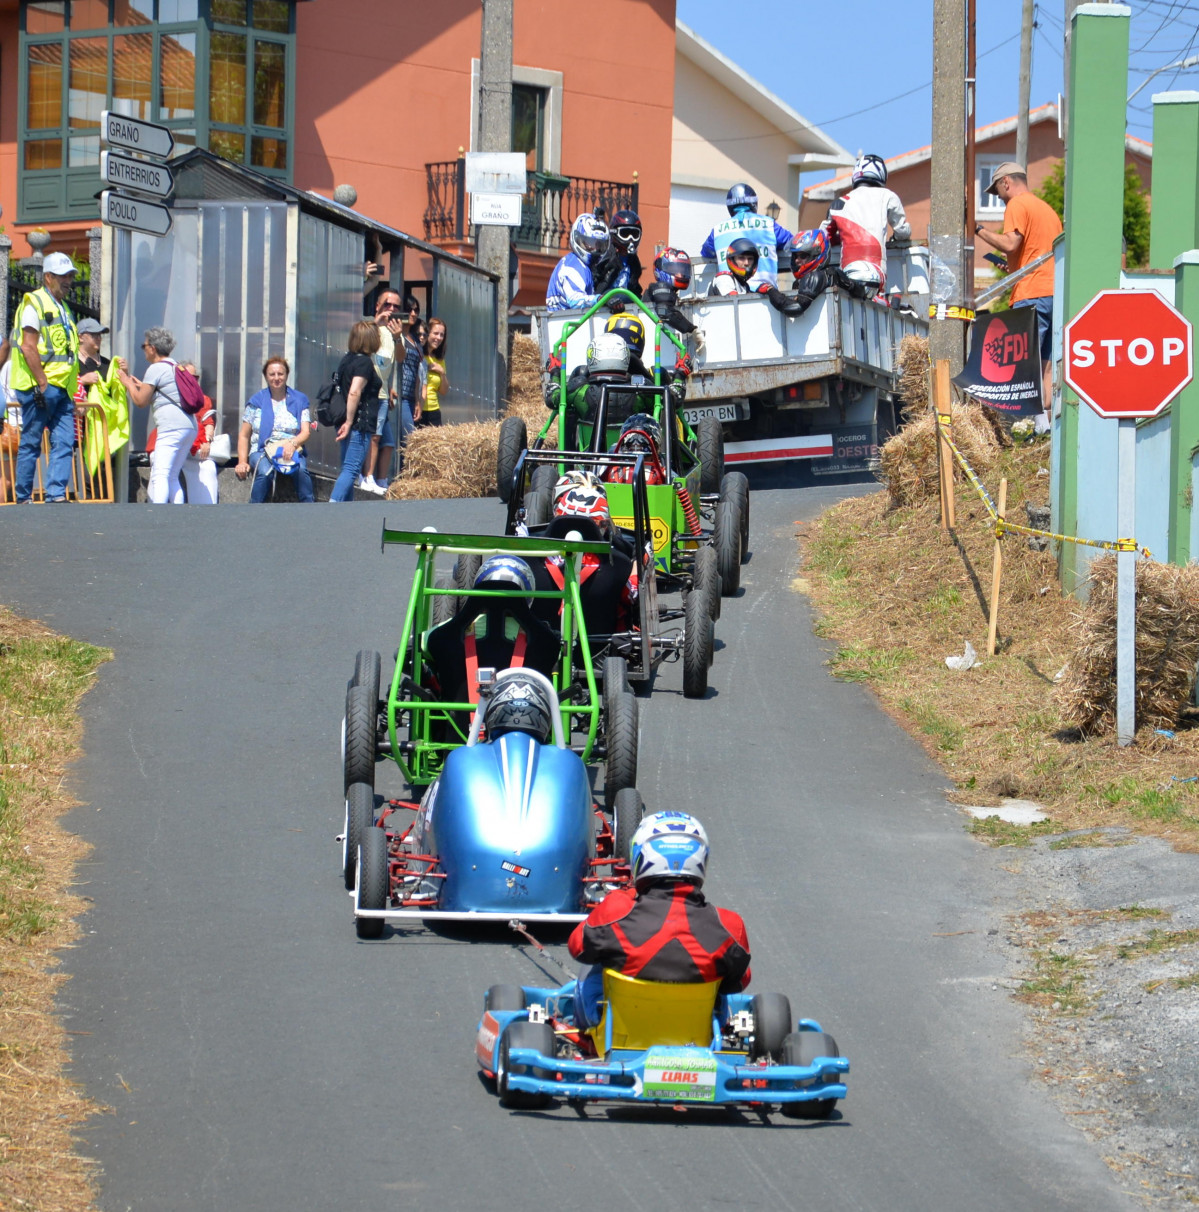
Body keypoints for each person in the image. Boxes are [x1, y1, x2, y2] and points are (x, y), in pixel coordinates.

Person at [568, 811, 751, 1030]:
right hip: (694, 1031)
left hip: (620, 1030)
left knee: (593, 964)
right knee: (720, 984)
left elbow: (577, 948)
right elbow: (738, 982)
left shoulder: (616, 910)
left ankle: (592, 1034)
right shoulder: (729, 925)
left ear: (641, 857)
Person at [974, 161, 1062, 412]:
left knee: (1023, 366)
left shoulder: (1017, 204)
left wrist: (978, 229)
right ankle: (1044, 427)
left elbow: (1011, 243)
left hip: (1031, 295)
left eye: (999, 194)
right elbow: (1036, 253)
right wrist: (1013, 268)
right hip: (1053, 293)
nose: (1001, 200)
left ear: (1006, 182)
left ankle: (1025, 426)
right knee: (1045, 366)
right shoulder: (1046, 210)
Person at [8, 251, 81, 503]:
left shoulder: (63, 308)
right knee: (31, 442)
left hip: (61, 388)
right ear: (48, 277)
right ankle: (23, 497)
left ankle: (56, 494)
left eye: (70, 276)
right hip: (39, 387)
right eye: (63, 276)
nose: (68, 281)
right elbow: (28, 346)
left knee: (64, 441)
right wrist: (41, 381)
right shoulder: (34, 303)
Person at [116, 327, 196, 505]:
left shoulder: (156, 368)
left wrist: (127, 383)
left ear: (152, 347)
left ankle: (156, 517)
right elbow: (157, 394)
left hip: (171, 428)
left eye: (143, 346)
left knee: (160, 473)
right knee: (172, 475)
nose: (143, 349)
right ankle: (177, 515)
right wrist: (136, 383)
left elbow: (140, 401)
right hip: (189, 426)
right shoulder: (176, 366)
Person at [823, 154, 910, 297]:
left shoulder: (839, 203)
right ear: (882, 175)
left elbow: (824, 237)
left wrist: (841, 238)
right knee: (878, 303)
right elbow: (902, 231)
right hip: (876, 270)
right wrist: (897, 237)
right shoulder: (888, 196)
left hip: (847, 271)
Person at [235, 355, 313, 503]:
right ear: (266, 376)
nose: (276, 378)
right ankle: (254, 509)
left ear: (286, 375)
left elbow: (306, 431)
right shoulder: (255, 401)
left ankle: (309, 509)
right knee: (265, 472)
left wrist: (292, 444)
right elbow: (244, 435)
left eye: (280, 374)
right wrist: (242, 461)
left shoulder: (300, 400)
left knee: (301, 471)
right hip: (261, 450)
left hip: (291, 447)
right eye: (272, 374)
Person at [329, 321, 384, 501]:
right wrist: (350, 422)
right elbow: (354, 391)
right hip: (358, 423)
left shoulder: (347, 359)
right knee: (352, 468)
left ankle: (346, 508)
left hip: (345, 421)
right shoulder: (364, 363)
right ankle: (333, 505)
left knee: (347, 468)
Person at [700, 183, 793, 285]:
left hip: (730, 293)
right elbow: (792, 242)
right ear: (754, 204)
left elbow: (706, 252)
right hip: (767, 294)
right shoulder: (769, 224)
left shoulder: (717, 230)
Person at [360, 288, 404, 495]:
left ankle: (380, 478)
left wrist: (397, 337)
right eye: (388, 304)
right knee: (373, 436)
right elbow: (358, 345)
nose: (392, 310)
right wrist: (377, 322)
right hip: (367, 392)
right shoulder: (368, 325)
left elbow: (401, 358)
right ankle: (366, 476)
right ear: (378, 306)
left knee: (385, 441)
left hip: (384, 393)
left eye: (396, 306)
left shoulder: (395, 331)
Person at [546, 214, 610, 311]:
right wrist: (599, 299)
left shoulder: (583, 265)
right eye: (590, 243)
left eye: (599, 245)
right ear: (578, 238)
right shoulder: (572, 266)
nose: (595, 249)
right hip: (562, 321)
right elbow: (575, 301)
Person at [642, 249, 697, 336]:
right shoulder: (660, 287)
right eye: (674, 269)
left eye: (682, 270)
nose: (680, 275)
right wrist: (692, 330)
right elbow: (664, 311)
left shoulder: (671, 291)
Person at [592, 208, 644, 299]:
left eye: (634, 235)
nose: (630, 239)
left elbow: (635, 288)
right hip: (604, 306)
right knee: (620, 296)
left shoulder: (634, 261)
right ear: (614, 232)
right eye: (625, 234)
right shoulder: (604, 256)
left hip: (627, 308)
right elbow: (595, 285)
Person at [604, 413, 667, 486]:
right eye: (632, 440)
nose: (636, 444)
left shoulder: (664, 472)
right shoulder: (610, 467)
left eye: (642, 440)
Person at [421, 316, 448, 427]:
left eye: (442, 335)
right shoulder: (419, 355)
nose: (439, 338)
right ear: (427, 334)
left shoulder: (439, 360)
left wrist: (442, 373)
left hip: (434, 410)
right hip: (419, 409)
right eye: (435, 333)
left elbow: (444, 391)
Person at [75, 318, 111, 389]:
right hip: (82, 400)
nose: (99, 338)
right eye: (94, 335)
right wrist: (82, 381)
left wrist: (124, 374)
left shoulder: (107, 363)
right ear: (81, 337)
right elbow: (62, 389)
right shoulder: (72, 362)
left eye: (100, 335)